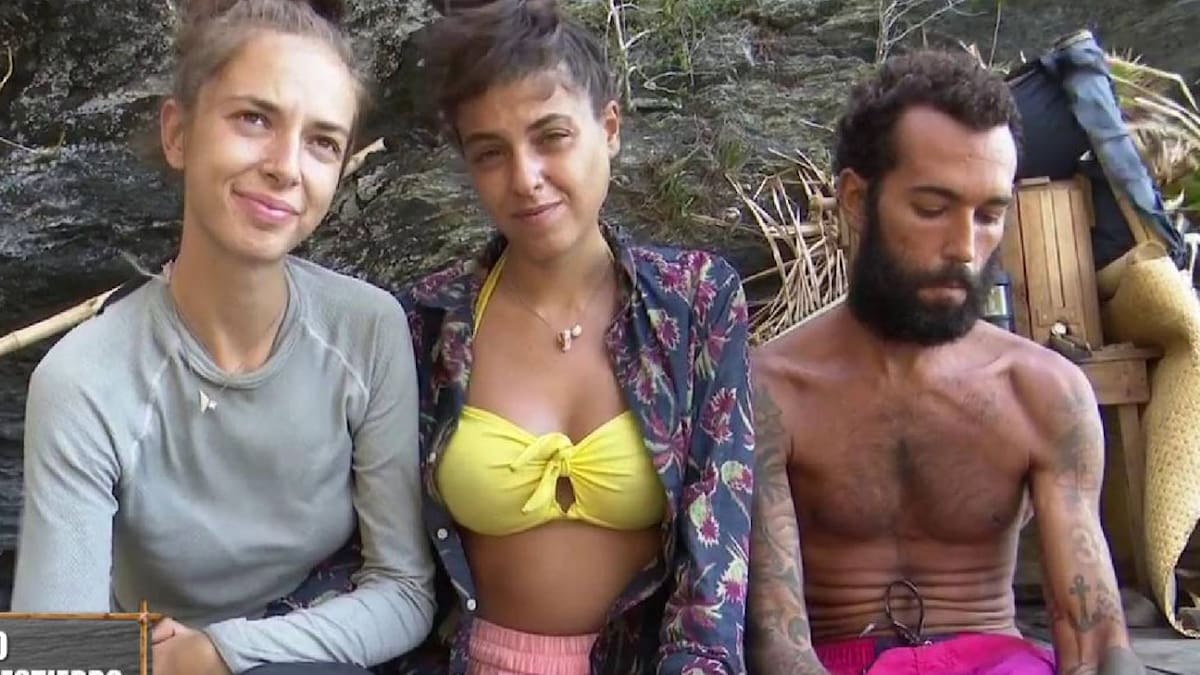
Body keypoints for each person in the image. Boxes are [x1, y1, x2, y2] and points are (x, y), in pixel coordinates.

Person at [11, 1, 435, 673]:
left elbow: (405, 590)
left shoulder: (366, 329)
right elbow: (50, 652)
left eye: (322, 142)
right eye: (254, 119)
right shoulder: (86, 381)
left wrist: (222, 651)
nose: (286, 166)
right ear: (178, 133)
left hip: (315, 648)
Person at [749, 50, 1145, 675]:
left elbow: (1094, 641)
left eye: (989, 215)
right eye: (932, 209)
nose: (964, 247)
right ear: (856, 199)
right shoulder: (771, 392)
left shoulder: (1044, 392)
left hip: (999, 660)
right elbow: (778, 645)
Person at [395, 0, 754, 672]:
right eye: (490, 153)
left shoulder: (695, 301)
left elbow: (717, 553)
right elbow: (388, 558)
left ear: (608, 128)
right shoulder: (426, 322)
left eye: (551, 136)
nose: (525, 178)